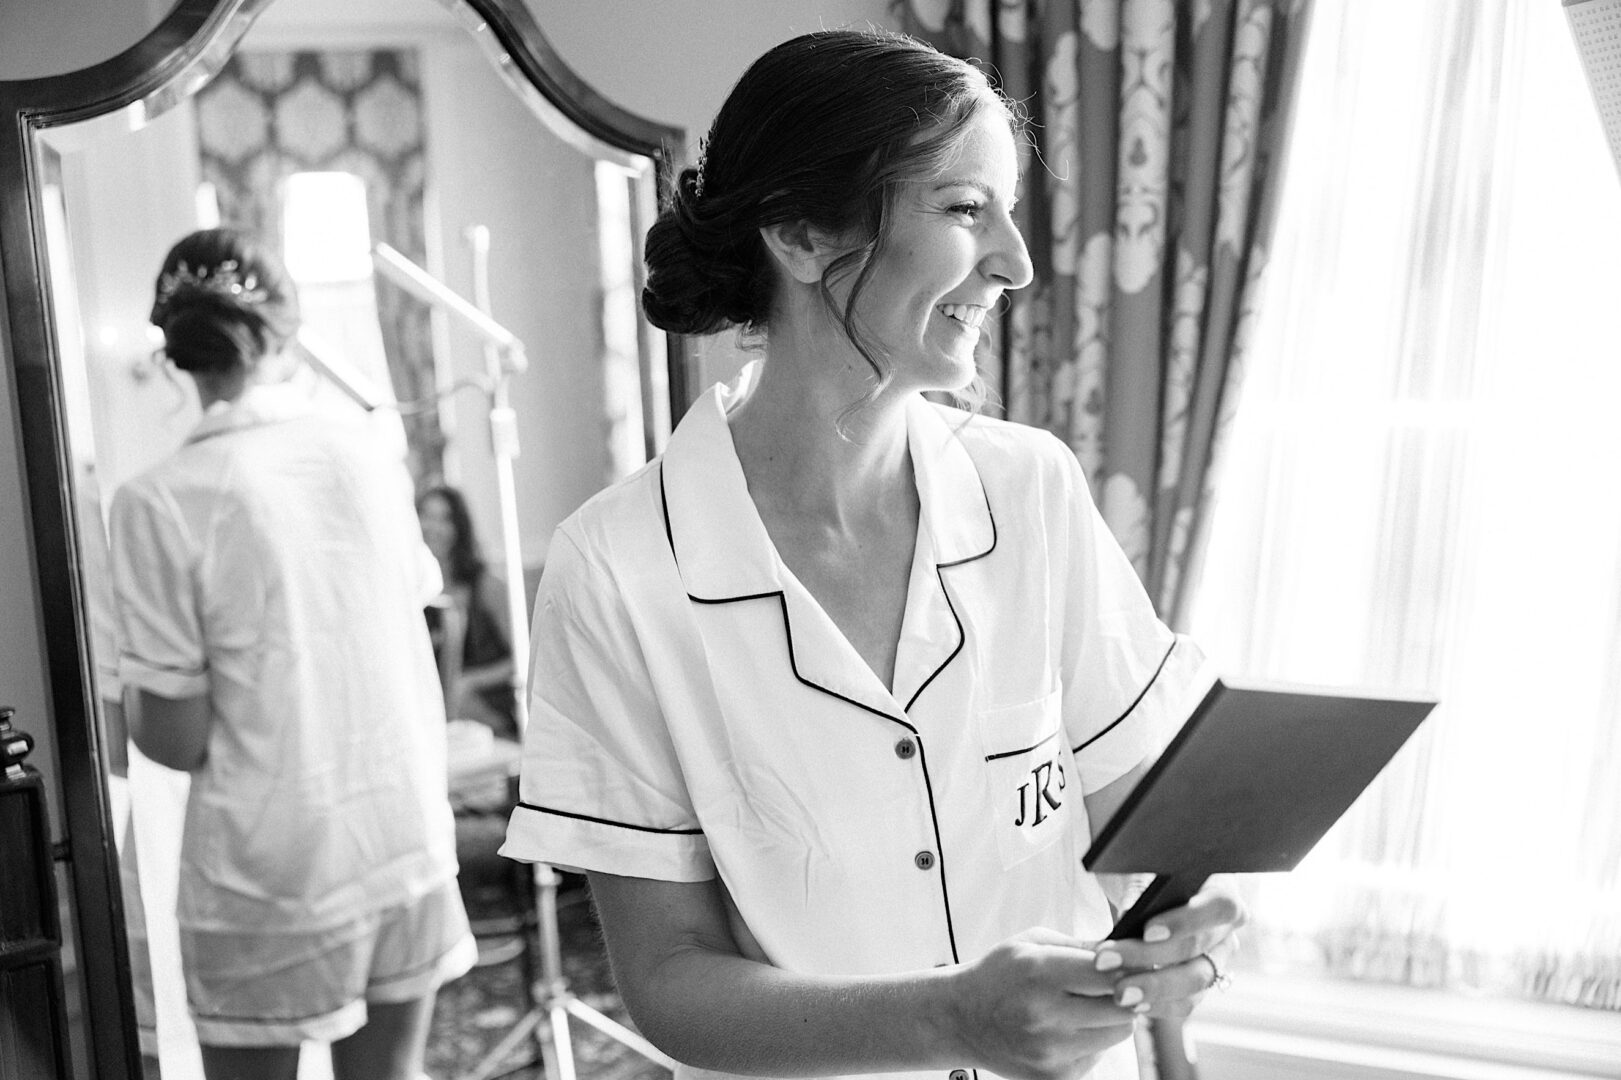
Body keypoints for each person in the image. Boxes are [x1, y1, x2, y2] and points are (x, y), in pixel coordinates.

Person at [500, 28, 1243, 1080]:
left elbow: (1138, 828)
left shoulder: (1030, 492)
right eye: (964, 208)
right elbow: (667, 976)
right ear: (801, 235)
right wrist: (951, 1020)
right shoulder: (621, 570)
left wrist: (1186, 925)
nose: (1016, 265)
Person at [108, 228, 476, 1080]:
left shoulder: (157, 501)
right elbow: (406, 610)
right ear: (285, 331)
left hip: (272, 867)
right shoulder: (368, 451)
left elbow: (173, 739)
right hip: (398, 832)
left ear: (173, 354)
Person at [416, 483, 519, 739]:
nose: (433, 528)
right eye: (426, 516)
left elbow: (522, 656)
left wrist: (469, 681)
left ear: (459, 528)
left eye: (445, 519)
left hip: (485, 715)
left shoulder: (486, 586)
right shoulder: (413, 593)